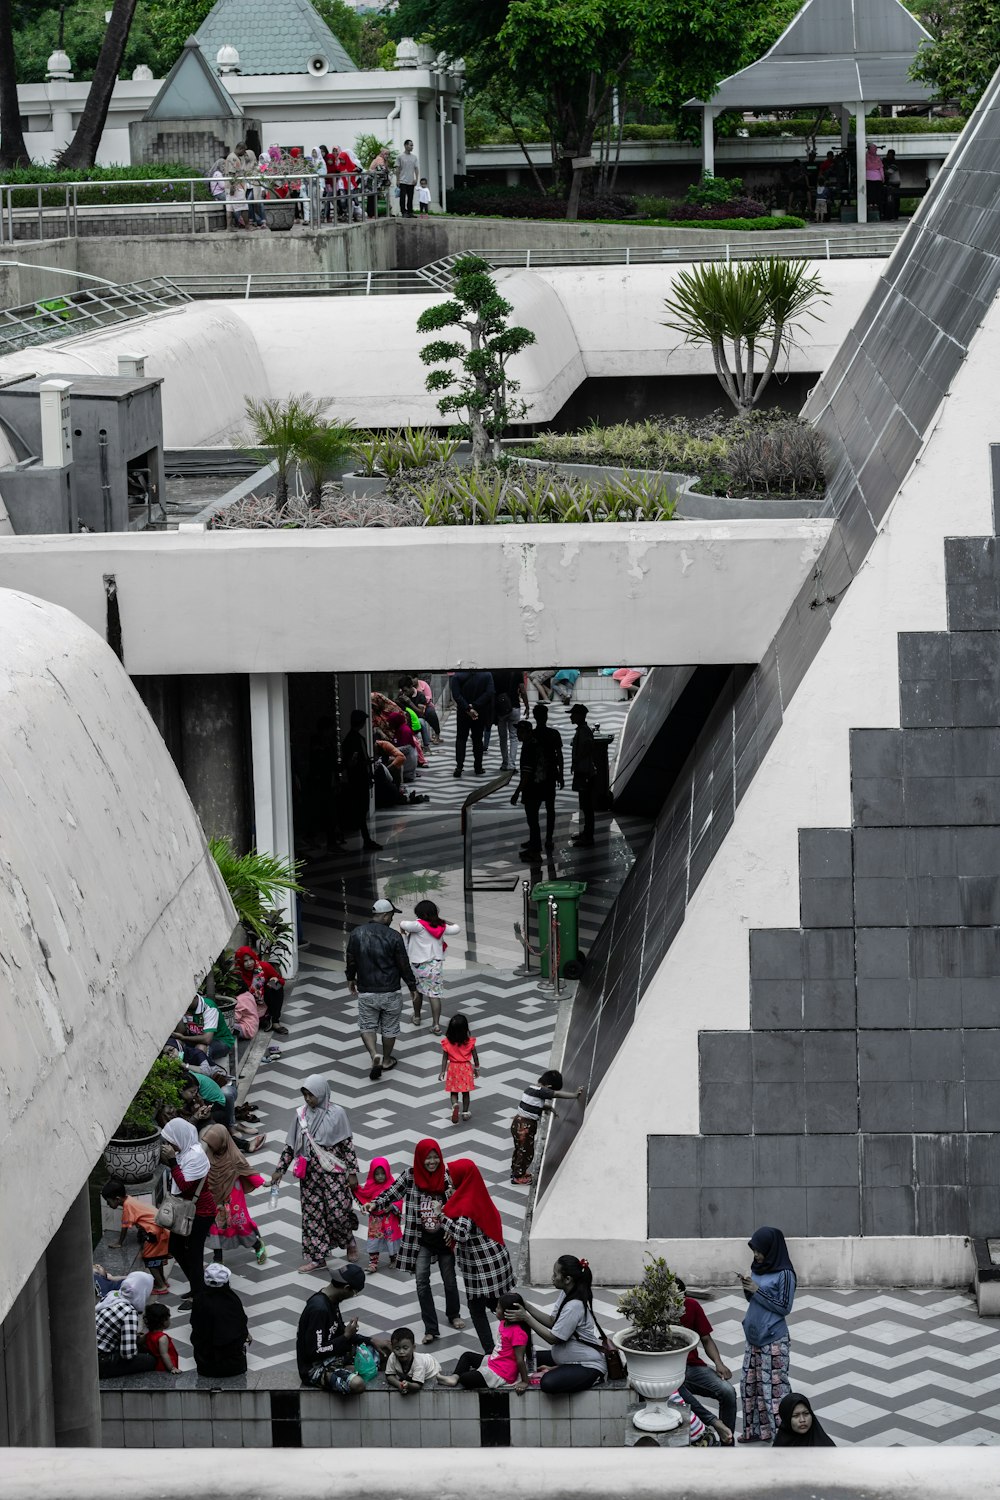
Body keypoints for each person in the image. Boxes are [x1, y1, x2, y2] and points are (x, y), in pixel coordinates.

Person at [365, 1139, 463, 1345]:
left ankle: (454, 1314)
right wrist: (374, 1203)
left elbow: (458, 1201)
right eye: (428, 1157)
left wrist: (453, 1224)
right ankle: (431, 1328)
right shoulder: (410, 1176)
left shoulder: (446, 1176)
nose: (432, 1161)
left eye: (436, 1157)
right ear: (420, 1158)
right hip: (420, 1241)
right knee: (421, 1283)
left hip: (444, 1237)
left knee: (450, 1279)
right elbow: (391, 1193)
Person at [270, 1075, 360, 1273]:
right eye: (305, 1095)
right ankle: (318, 1257)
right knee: (313, 1217)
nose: (308, 1099)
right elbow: (291, 1146)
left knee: (338, 1212)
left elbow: (347, 1146)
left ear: (321, 1092)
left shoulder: (338, 1114)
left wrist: (352, 1173)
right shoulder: (301, 1115)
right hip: (310, 1177)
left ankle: (349, 1241)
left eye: (311, 1094)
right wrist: (279, 1170)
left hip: (333, 1174)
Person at [442, 1158, 514, 1355]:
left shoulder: (466, 1202)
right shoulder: (474, 1192)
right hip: (492, 1261)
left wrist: (441, 1218)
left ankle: (493, 1351)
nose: (448, 1178)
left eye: (451, 1175)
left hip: (482, 1266)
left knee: (478, 1308)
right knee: (497, 1305)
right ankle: (514, 1342)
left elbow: (462, 1233)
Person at [507, 1255, 607, 1392]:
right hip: (569, 1359)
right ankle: (562, 1368)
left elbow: (553, 1338)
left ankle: (591, 1377)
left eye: (555, 1274)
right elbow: (552, 1322)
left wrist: (526, 1318)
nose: (552, 1277)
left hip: (588, 1365)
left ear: (567, 1279)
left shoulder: (574, 1306)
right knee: (527, 1357)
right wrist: (527, 1306)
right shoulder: (567, 1293)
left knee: (548, 1383)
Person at [346, 897, 418, 1080]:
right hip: (390, 991)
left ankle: (373, 1055)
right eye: (392, 915)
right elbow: (403, 964)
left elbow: (351, 958)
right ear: (385, 915)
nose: (392, 919)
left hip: (367, 990)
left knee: (367, 1025)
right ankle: (386, 1060)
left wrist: (350, 979)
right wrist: (412, 986)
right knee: (390, 1027)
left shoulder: (357, 933)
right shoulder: (394, 936)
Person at [739, 1226, 797, 1443]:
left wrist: (757, 1290)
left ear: (771, 1249)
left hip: (773, 1339)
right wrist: (747, 1287)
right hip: (753, 1338)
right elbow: (752, 1299)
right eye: (754, 1250)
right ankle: (755, 1431)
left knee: (773, 1390)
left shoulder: (785, 1274)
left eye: (759, 1250)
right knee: (749, 1386)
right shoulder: (758, 1267)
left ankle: (782, 1437)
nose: (756, 1255)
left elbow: (784, 1307)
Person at [297, 1263, 387, 1394]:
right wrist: (345, 1336)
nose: (353, 1296)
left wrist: (370, 1340)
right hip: (316, 1368)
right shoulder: (319, 1309)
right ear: (347, 1288)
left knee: (383, 1349)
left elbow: (339, 1331)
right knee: (357, 1384)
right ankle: (349, 1372)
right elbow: (315, 1351)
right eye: (355, 1293)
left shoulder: (332, 1300)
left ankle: (351, 1369)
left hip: (335, 1355)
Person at [675, 1277, 737, 1446]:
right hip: (668, 1372)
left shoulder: (692, 1306)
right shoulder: (654, 1312)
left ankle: (727, 1443)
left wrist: (719, 1363)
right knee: (676, 1390)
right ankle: (715, 1424)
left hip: (692, 1367)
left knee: (728, 1392)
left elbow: (706, 1339)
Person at [160, 1117, 215, 1304]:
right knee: (175, 1246)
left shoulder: (195, 1156)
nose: (168, 1145)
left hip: (201, 1212)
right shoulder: (184, 1153)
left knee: (194, 1252)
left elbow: (183, 1184)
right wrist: (173, 1161)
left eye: (170, 1141)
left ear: (179, 1138)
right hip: (187, 1210)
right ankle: (197, 1285)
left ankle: (200, 1296)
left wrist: (172, 1161)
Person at [201, 1122, 268, 1266]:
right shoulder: (207, 1157)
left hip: (233, 1196)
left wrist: (263, 1182)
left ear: (222, 1142)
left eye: (213, 1144)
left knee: (239, 1223)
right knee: (217, 1226)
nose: (210, 1148)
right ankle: (217, 1257)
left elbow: (247, 1170)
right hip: (215, 1198)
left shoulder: (233, 1155)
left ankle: (257, 1245)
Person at [509, 1068, 584, 1185]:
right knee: (526, 1152)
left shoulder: (530, 1089)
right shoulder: (540, 1091)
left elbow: (534, 1105)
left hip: (517, 1123)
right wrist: (574, 1095)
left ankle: (516, 1171)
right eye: (551, 1091)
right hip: (525, 1127)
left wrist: (551, 1109)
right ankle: (518, 1177)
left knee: (519, 1149)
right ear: (548, 1087)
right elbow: (557, 1094)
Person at [101, 1178, 171, 1293]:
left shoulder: (127, 1207)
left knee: (149, 1258)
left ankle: (160, 1286)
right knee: (157, 1258)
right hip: (161, 1229)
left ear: (117, 1199)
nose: (108, 1204)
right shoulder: (130, 1200)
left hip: (154, 1232)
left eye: (109, 1202)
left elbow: (124, 1227)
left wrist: (119, 1243)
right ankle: (162, 1281)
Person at [400, 899, 459, 1033]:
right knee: (434, 995)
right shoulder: (441, 927)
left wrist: (404, 934)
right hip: (435, 966)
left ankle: (417, 1017)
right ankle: (436, 1025)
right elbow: (457, 928)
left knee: (417, 991)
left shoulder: (418, 925)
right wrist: (442, 921)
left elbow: (402, 924)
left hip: (418, 966)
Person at [453, 1291, 532, 1390]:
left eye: (498, 1308)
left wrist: (525, 1381)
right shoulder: (504, 1322)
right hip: (494, 1361)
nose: (495, 1309)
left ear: (507, 1312)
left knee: (465, 1378)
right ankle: (454, 1378)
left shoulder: (518, 1333)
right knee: (467, 1356)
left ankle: (459, 1377)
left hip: (503, 1373)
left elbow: (520, 1360)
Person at [190, 1262, 250, 1377]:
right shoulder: (232, 1300)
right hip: (233, 1363)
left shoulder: (200, 1300)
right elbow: (240, 1322)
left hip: (205, 1363)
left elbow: (196, 1325)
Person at [94, 1271, 157, 1376]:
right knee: (150, 1360)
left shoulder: (113, 1296)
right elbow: (128, 1354)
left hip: (91, 1353)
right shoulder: (129, 1311)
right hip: (100, 1361)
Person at [341, 708, 382, 851]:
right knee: (361, 809)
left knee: (361, 809)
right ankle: (366, 839)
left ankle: (366, 838)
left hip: (360, 778)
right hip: (358, 780)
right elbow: (352, 762)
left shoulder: (354, 739)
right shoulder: (354, 740)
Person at [353, 1157, 402, 1273]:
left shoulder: (392, 1186)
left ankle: (394, 1258)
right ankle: (373, 1263)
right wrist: (354, 1188)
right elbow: (362, 1194)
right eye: (377, 1174)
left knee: (391, 1239)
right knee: (374, 1240)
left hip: (389, 1219)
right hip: (375, 1221)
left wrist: (392, 1206)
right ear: (372, 1174)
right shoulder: (370, 1186)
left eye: (383, 1173)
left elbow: (399, 1199)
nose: (380, 1176)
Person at [511, 719, 547, 861]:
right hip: (537, 786)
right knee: (533, 819)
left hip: (532, 788)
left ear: (528, 732)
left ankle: (535, 850)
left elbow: (526, 774)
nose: (518, 734)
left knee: (532, 819)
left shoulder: (528, 748)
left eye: (521, 732)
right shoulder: (533, 743)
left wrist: (517, 792)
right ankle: (533, 843)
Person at [530, 703, 564, 851]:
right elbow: (559, 755)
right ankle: (549, 839)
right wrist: (561, 774)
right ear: (546, 716)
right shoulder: (554, 734)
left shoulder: (532, 735)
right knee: (550, 808)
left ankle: (535, 838)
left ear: (535, 717)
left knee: (534, 809)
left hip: (535, 777)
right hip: (551, 775)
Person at [385, 1327, 459, 1394]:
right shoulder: (392, 1357)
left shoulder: (418, 1362)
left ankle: (440, 1378)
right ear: (392, 1348)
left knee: (432, 1378)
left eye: (405, 1348)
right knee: (406, 1376)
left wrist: (408, 1385)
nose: (401, 1352)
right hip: (410, 1372)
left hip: (431, 1368)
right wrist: (399, 1384)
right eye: (397, 1349)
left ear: (413, 1347)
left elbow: (417, 1386)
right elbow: (389, 1375)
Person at [450, 668, 495, 777]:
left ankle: (459, 766)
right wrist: (474, 706)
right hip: (479, 711)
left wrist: (467, 708)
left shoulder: (458, 675)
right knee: (478, 739)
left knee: (461, 738)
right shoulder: (486, 674)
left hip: (463, 713)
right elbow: (489, 692)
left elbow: (456, 695)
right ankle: (478, 767)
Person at [440, 1012, 479, 1124]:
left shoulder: (447, 1042)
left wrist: (442, 1071)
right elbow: (475, 1057)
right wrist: (476, 1068)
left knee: (454, 1091)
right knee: (465, 1092)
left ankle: (455, 1104)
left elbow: (444, 1058)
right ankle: (465, 1112)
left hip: (453, 1068)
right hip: (466, 1068)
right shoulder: (470, 1042)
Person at [569, 703, 598, 847]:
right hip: (583, 771)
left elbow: (588, 746)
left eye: (573, 714)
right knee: (584, 805)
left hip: (585, 772)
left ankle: (588, 837)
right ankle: (586, 833)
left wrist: (577, 759)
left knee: (587, 807)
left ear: (580, 716)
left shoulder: (584, 731)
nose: (571, 716)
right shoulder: (582, 730)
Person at [491, 668, 528, 771]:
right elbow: (522, 689)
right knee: (514, 737)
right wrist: (527, 705)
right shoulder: (516, 671)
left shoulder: (494, 672)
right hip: (514, 706)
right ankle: (512, 764)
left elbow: (491, 691)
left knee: (502, 738)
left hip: (500, 709)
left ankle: (505, 763)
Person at [235, 141, 266, 226]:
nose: (245, 157)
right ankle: (253, 220)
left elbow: (261, 179)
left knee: (258, 203)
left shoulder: (257, 167)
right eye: (245, 155)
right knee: (249, 204)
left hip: (255, 187)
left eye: (247, 155)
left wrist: (263, 189)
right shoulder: (243, 166)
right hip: (247, 188)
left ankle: (262, 220)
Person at [143, 1302, 179, 1373]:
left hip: (156, 1364)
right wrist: (172, 1368)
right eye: (168, 1318)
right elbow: (164, 1354)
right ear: (163, 1321)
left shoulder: (148, 1335)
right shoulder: (162, 1338)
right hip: (164, 1366)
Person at [397, 138, 419, 217]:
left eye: (412, 145)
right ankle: (403, 212)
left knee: (410, 197)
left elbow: (416, 168)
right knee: (402, 197)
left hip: (411, 181)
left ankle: (410, 211)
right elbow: (398, 169)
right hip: (402, 180)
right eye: (411, 145)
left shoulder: (414, 157)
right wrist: (397, 180)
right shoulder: (400, 156)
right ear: (406, 146)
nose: (412, 147)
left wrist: (416, 178)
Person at [865, 142, 884, 218]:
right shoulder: (878, 158)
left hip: (868, 177)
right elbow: (881, 169)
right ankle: (877, 208)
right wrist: (882, 178)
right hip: (878, 178)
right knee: (877, 194)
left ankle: (870, 205)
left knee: (870, 193)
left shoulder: (865, 158)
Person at [883, 149, 901, 220]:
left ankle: (895, 214)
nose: (888, 156)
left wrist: (882, 169)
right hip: (891, 182)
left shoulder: (894, 164)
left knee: (895, 199)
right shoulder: (888, 162)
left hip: (895, 183)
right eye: (888, 155)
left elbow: (888, 173)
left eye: (890, 155)